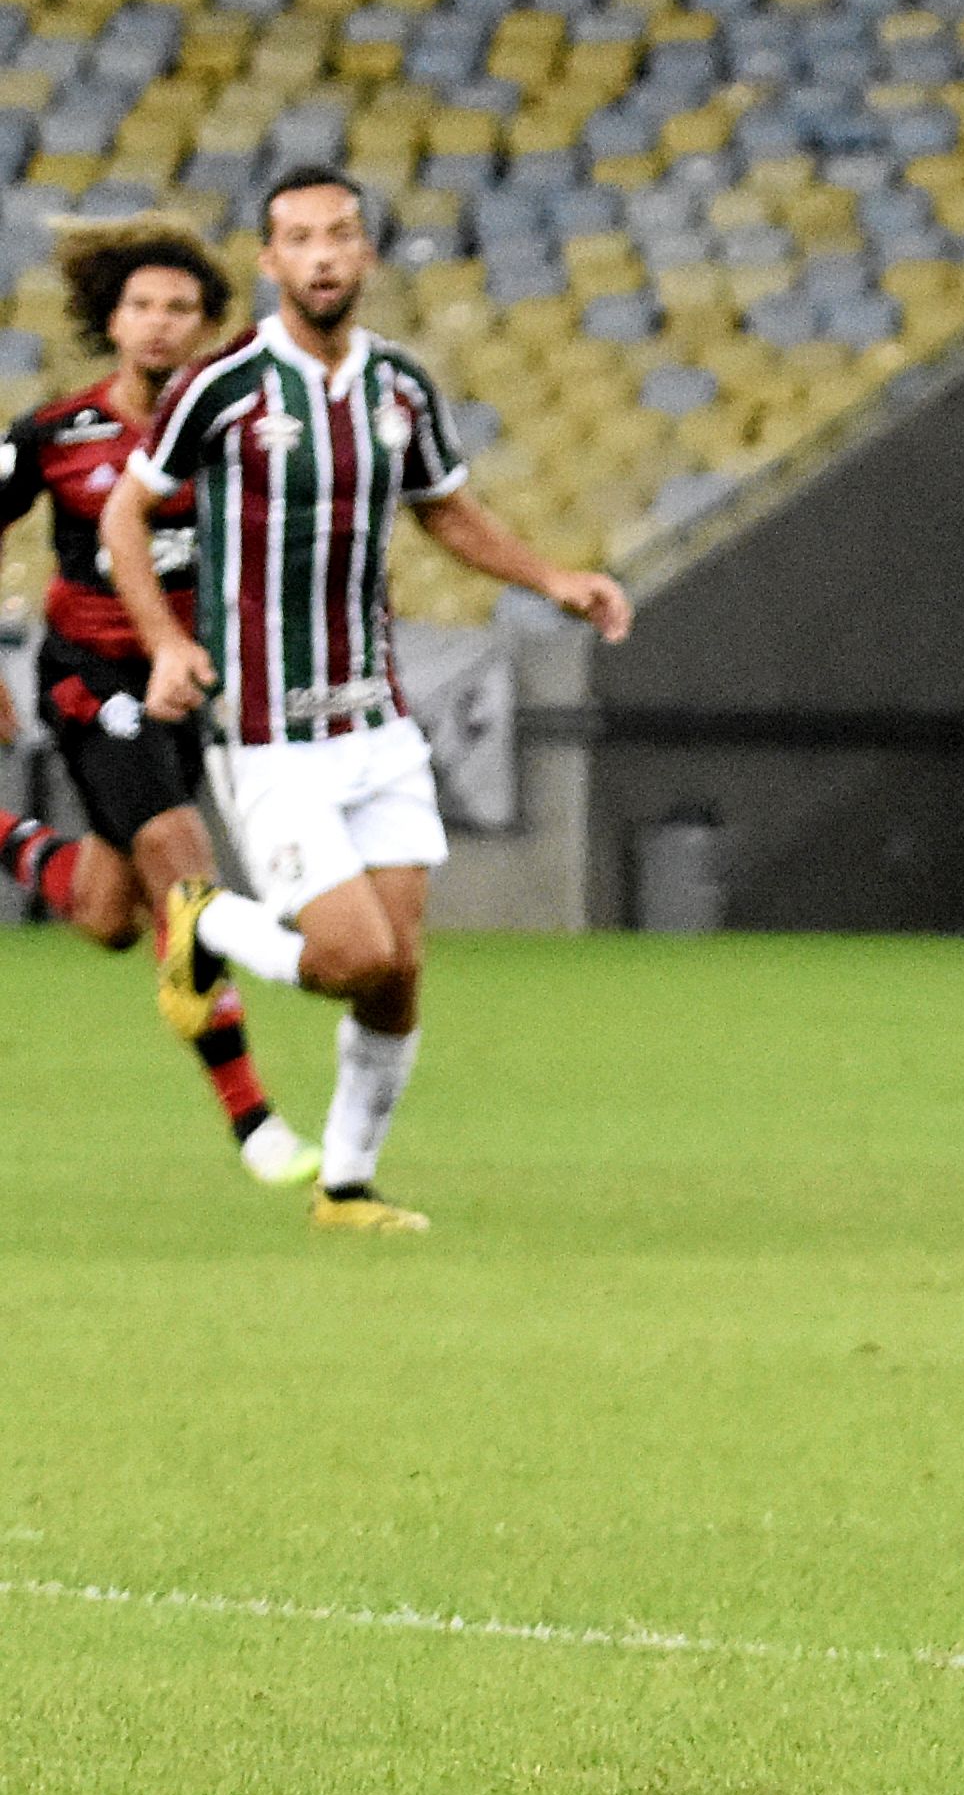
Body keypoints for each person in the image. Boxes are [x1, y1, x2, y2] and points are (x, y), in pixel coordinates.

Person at [100, 165, 634, 1233]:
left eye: (340, 234)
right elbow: (126, 512)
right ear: (269, 261)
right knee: (353, 958)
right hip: (269, 732)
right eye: (299, 237)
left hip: (376, 722)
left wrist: (550, 578)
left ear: (367, 254)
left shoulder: (397, 387)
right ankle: (204, 926)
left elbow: (447, 509)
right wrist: (163, 641)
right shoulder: (225, 385)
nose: (324, 255)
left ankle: (345, 1186)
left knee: (399, 976)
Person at [0, 215, 313, 1183]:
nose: (161, 324)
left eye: (182, 307)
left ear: (211, 324)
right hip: (89, 680)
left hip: (189, 690)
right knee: (183, 864)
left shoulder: (232, 433)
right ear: (113, 317)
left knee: (109, 914)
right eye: (143, 305)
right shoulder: (54, 432)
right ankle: (255, 1117)